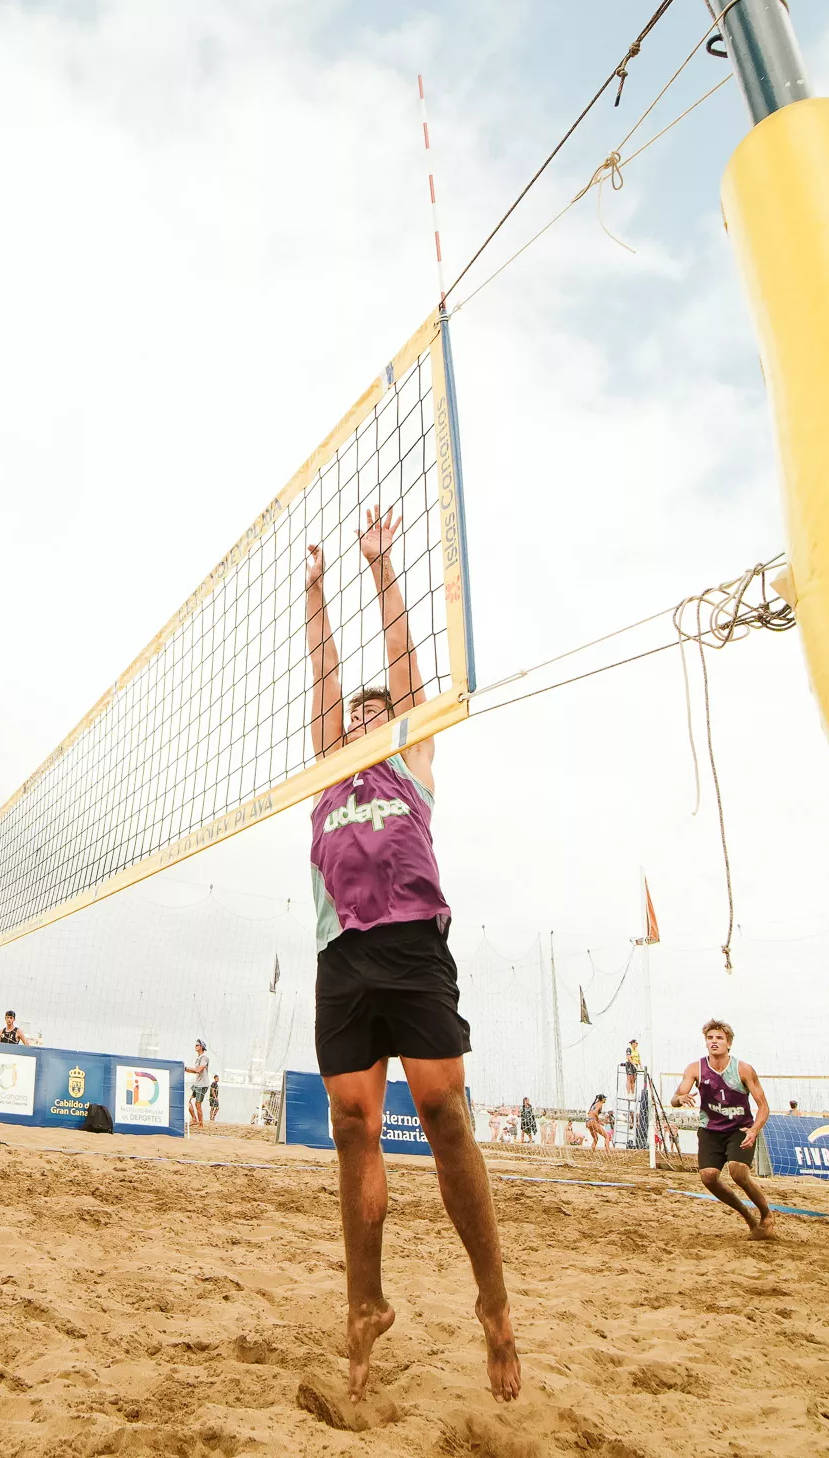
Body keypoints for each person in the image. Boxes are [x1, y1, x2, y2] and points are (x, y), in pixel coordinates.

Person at [303, 505, 518, 1405]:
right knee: (354, 1128)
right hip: (341, 957)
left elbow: (400, 668)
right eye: (355, 712)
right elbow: (326, 679)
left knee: (444, 1115)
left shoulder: (411, 761)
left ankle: (494, 1307)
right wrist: (317, 592)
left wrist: (381, 571)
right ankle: (366, 1305)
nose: (363, 712)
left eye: (378, 709)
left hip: (413, 948)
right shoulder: (325, 768)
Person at [671, 1019, 775, 1240]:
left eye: (719, 1038)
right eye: (710, 1038)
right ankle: (748, 1217)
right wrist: (681, 1098)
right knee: (708, 1178)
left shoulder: (743, 1069)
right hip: (710, 1129)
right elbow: (675, 1098)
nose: (714, 1041)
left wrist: (754, 1130)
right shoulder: (695, 1068)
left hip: (740, 1128)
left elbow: (764, 1107)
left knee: (738, 1172)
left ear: (729, 1044)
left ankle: (766, 1215)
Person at [187, 1040, 211, 1128]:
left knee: (198, 1104)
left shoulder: (204, 1057)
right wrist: (185, 1069)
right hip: (197, 1083)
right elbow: (196, 1072)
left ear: (201, 1047)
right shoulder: (199, 1057)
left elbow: (198, 1070)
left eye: (197, 1045)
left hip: (203, 1084)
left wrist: (186, 1068)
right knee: (188, 1101)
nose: (195, 1046)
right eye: (195, 1045)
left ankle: (200, 1124)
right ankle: (194, 1119)